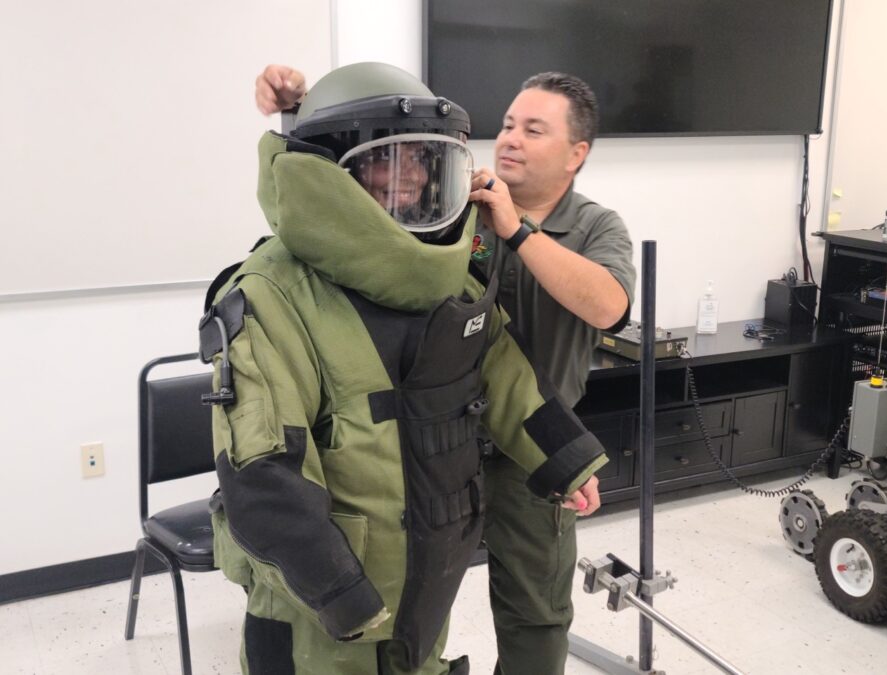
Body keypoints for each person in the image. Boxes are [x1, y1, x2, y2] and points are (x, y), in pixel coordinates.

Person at [205, 61, 609, 675]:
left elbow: (504, 373)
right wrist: (338, 592)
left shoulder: (450, 273)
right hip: (321, 609)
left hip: (427, 576)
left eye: (421, 160)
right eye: (385, 161)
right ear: (331, 173)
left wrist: (568, 459)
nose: (410, 178)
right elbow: (262, 472)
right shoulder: (271, 296)